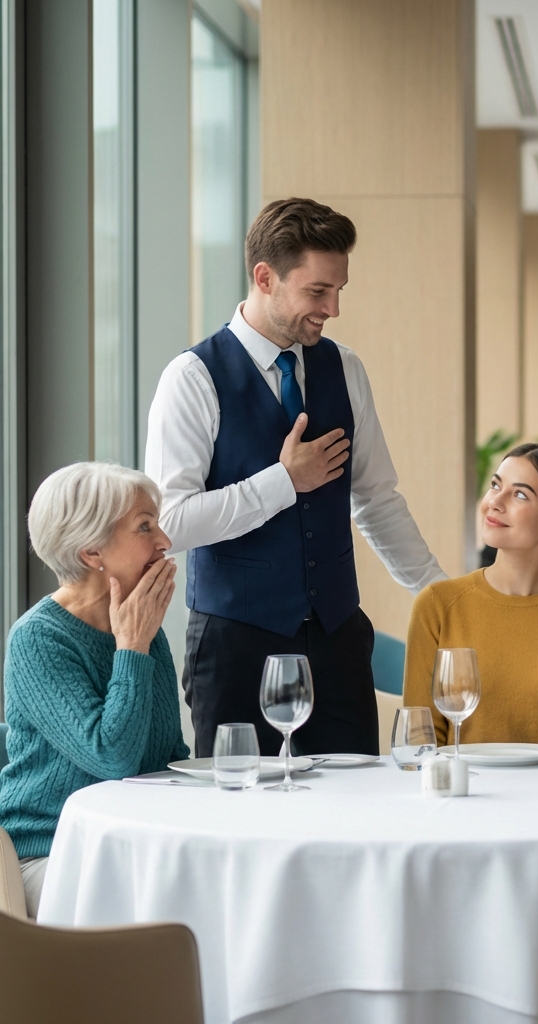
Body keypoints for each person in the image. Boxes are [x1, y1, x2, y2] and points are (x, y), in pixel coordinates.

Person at [146, 198, 446, 758]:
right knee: (241, 822)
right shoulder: (191, 378)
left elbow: (377, 500)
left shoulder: (345, 368)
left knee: (353, 817)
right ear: (265, 277)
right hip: (235, 646)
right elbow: (169, 521)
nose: (332, 307)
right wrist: (283, 481)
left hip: (337, 639)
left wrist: (438, 594)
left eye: (339, 290)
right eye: (317, 291)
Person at [0, 463, 188, 918]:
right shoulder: (39, 639)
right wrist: (133, 647)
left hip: (137, 846)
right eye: (145, 526)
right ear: (90, 553)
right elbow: (113, 758)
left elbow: (167, 756)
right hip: (54, 854)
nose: (164, 541)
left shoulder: (137, 623)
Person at [404, 444, 538, 753]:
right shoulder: (437, 604)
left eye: (519, 494)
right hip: (465, 794)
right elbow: (421, 736)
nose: (494, 501)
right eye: (496, 485)